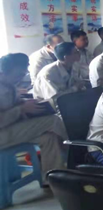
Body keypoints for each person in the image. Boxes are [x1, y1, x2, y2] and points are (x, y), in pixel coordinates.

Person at [0, 53, 68, 184]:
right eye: (18, 74)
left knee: (49, 138)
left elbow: (10, 105)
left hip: (10, 129)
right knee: (53, 120)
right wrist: (21, 109)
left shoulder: (8, 84)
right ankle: (78, 151)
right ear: (4, 72)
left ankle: (51, 178)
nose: (21, 77)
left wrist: (26, 104)